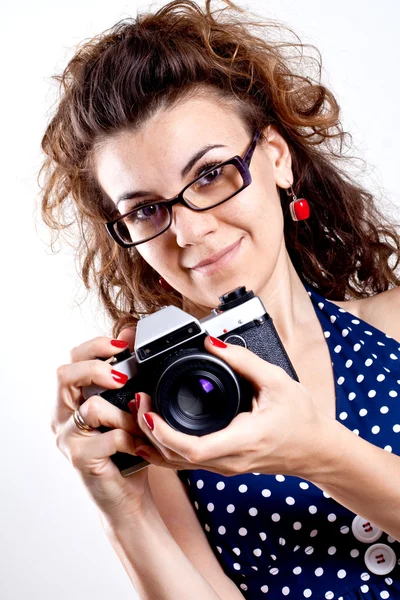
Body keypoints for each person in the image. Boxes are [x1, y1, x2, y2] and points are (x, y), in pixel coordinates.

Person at [39, 0, 400, 598]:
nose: (189, 231)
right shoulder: (157, 407)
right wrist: (122, 507)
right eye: (147, 209)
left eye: (210, 174)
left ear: (277, 159)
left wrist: (316, 452)